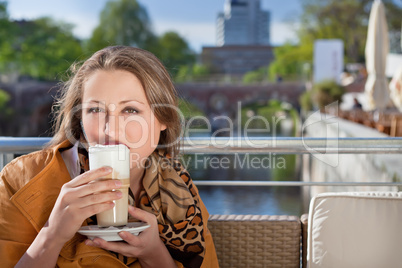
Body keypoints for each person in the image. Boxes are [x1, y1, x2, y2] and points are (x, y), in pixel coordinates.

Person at [0, 46, 219, 268]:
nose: (110, 130)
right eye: (95, 110)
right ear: (79, 119)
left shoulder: (181, 192)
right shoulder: (20, 181)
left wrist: (154, 254)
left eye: (130, 110)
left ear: (163, 120)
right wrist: (52, 235)